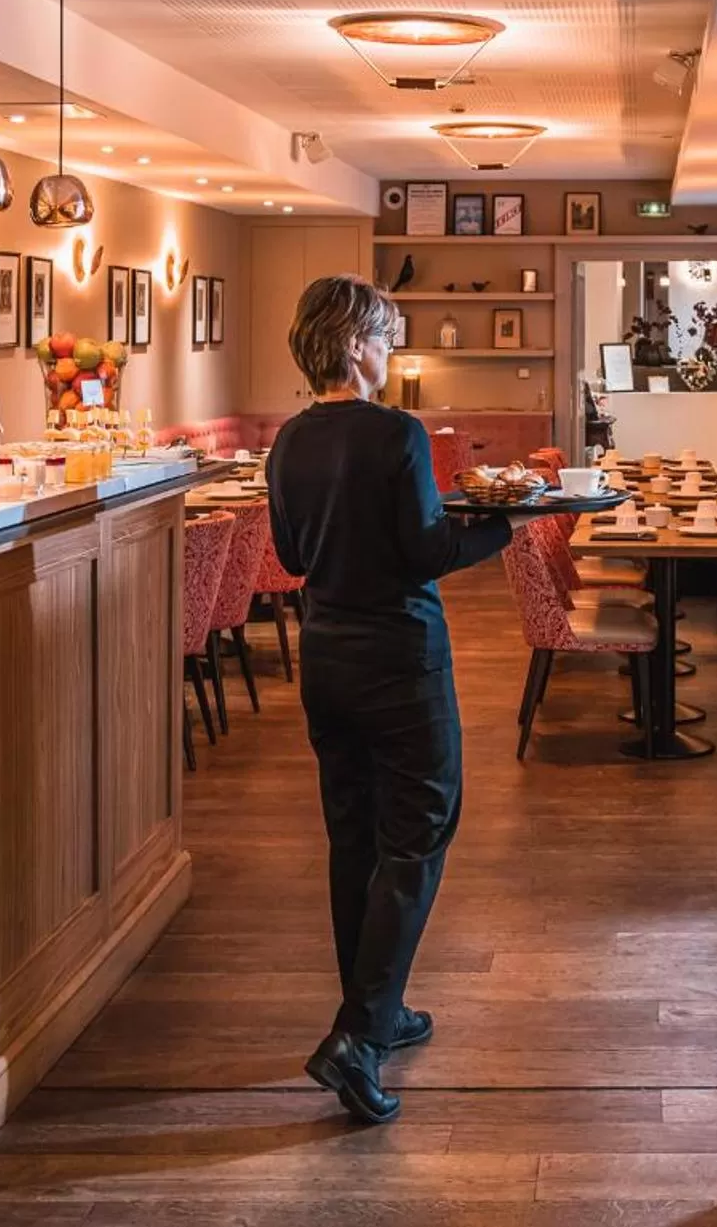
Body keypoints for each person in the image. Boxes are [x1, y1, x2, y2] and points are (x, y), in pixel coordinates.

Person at [265, 274, 521, 1125]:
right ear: (351, 345)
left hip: (326, 658)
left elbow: (295, 555)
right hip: (401, 661)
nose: (389, 348)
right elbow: (423, 549)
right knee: (418, 835)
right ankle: (359, 1037)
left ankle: (376, 1010)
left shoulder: (287, 442)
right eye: (382, 334)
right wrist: (507, 523)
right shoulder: (397, 434)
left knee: (354, 839)